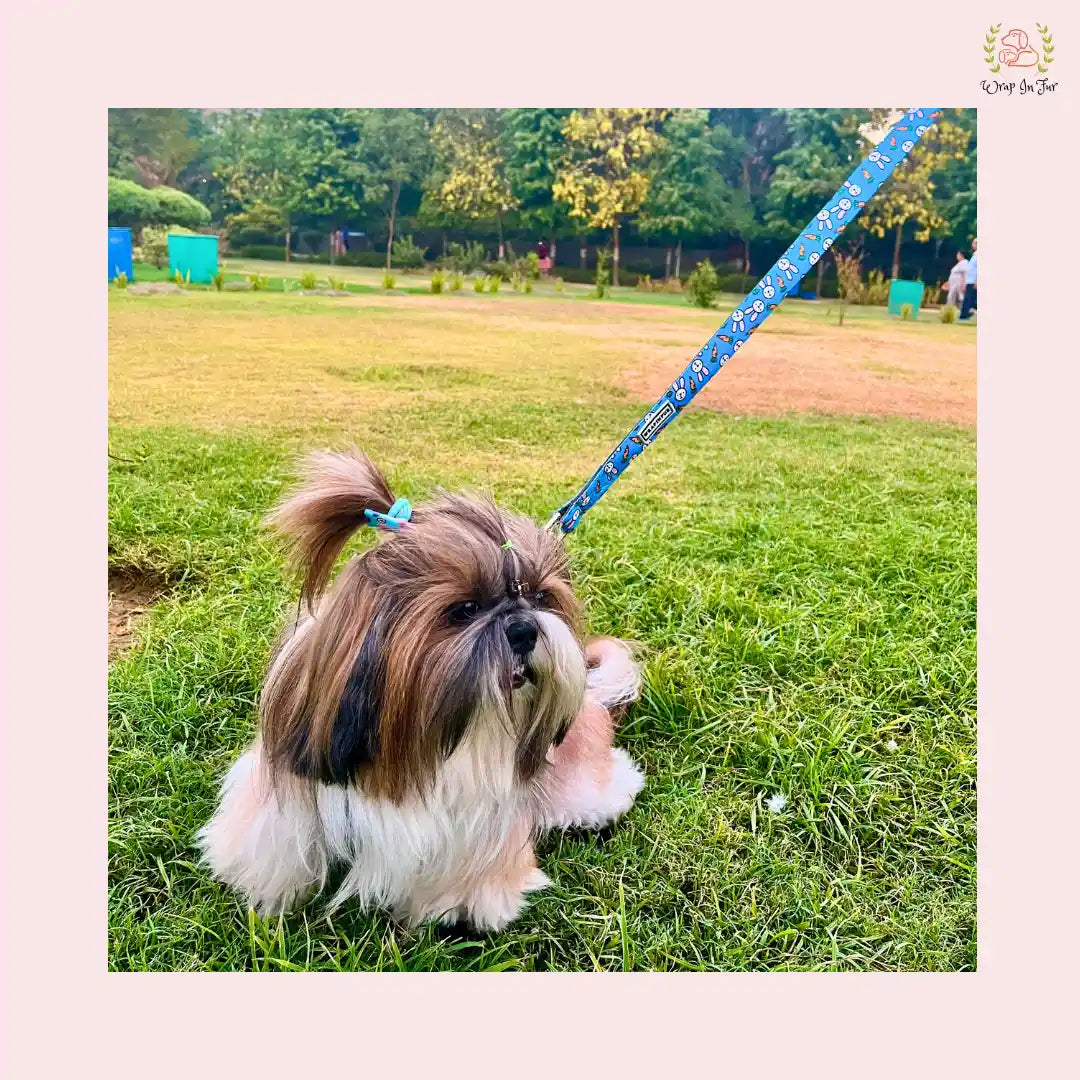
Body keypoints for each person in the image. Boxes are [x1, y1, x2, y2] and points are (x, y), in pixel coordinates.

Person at [959, 237, 977, 320]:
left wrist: (976, 281)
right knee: (967, 299)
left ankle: (964, 315)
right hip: (969, 280)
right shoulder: (974, 255)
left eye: (974, 243)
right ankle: (965, 314)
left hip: (973, 281)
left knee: (969, 299)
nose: (972, 245)